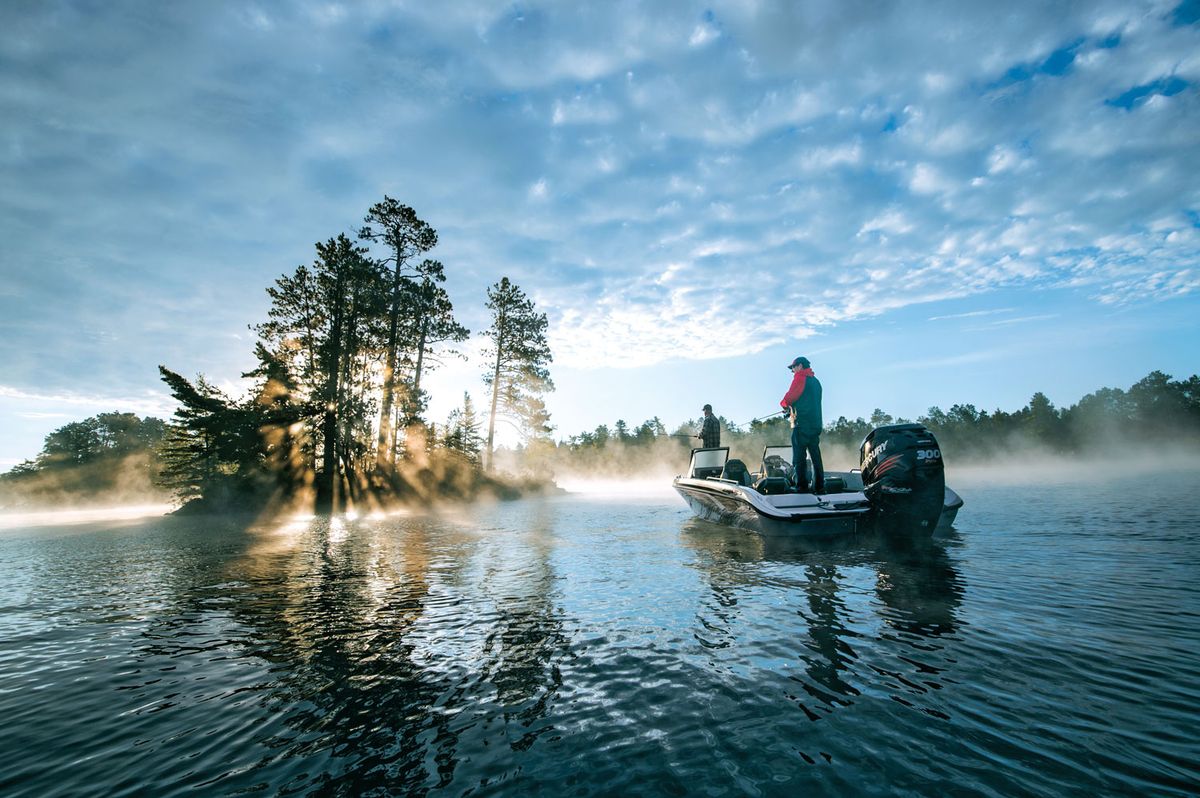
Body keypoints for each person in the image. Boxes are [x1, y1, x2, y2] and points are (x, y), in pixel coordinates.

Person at [780, 356, 824, 493]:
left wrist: (784, 404)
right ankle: (819, 486)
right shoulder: (816, 382)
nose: (793, 371)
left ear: (799, 366)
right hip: (816, 424)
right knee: (815, 456)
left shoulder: (800, 377)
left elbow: (790, 397)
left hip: (801, 424)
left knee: (799, 458)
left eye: (793, 368)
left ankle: (802, 487)